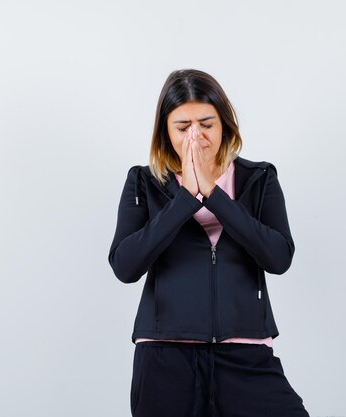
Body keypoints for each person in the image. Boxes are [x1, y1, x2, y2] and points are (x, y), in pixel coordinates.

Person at [108, 68, 309, 417]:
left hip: (245, 354)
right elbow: (126, 266)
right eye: (183, 128)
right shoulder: (143, 181)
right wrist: (185, 198)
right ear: (165, 133)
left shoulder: (258, 178)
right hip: (164, 357)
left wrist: (214, 195)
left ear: (225, 125)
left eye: (207, 124)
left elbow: (278, 258)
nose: (196, 137)